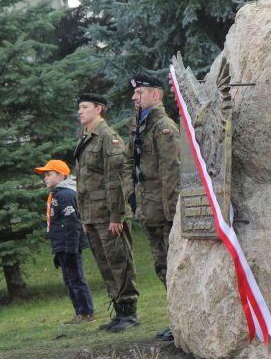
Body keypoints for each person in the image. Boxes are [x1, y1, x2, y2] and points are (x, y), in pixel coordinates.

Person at [74, 93, 139, 332]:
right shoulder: (85, 137)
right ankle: (119, 310)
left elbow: (117, 180)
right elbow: (84, 181)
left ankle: (130, 312)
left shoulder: (107, 138)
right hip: (92, 215)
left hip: (109, 214)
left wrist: (117, 216)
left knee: (119, 261)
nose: (80, 111)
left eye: (85, 107)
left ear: (98, 109)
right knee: (105, 264)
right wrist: (84, 216)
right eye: (79, 107)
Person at [123, 74, 180, 342]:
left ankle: (182, 322)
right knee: (161, 268)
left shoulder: (163, 127)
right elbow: (128, 164)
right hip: (147, 209)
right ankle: (177, 320)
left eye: (139, 93)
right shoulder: (139, 126)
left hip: (163, 211)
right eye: (135, 94)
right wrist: (131, 195)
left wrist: (172, 214)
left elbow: (171, 172)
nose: (134, 97)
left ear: (155, 95)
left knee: (174, 268)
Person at [35, 159, 95, 325]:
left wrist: (70, 248)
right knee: (69, 281)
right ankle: (79, 313)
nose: (45, 178)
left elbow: (72, 224)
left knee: (77, 279)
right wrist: (57, 250)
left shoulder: (66, 195)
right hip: (61, 245)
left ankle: (87, 313)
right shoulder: (56, 194)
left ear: (61, 175)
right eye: (44, 175)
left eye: (48, 174)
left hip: (70, 245)